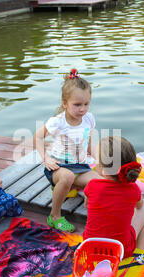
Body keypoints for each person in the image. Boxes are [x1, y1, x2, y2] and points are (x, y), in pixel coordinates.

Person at [33, 69, 102, 233]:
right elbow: (37, 137)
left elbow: (90, 143)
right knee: (67, 176)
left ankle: (95, 216)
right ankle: (54, 216)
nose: (82, 109)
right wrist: (46, 159)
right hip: (58, 167)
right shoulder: (58, 122)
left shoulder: (89, 119)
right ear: (65, 103)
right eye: (77, 105)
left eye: (86, 104)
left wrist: (99, 160)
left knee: (101, 182)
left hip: (81, 166)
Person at [83, 136, 144, 258]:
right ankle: (141, 251)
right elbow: (139, 206)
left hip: (90, 247)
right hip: (119, 251)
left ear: (103, 170)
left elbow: (86, 204)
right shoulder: (133, 189)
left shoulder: (92, 185)